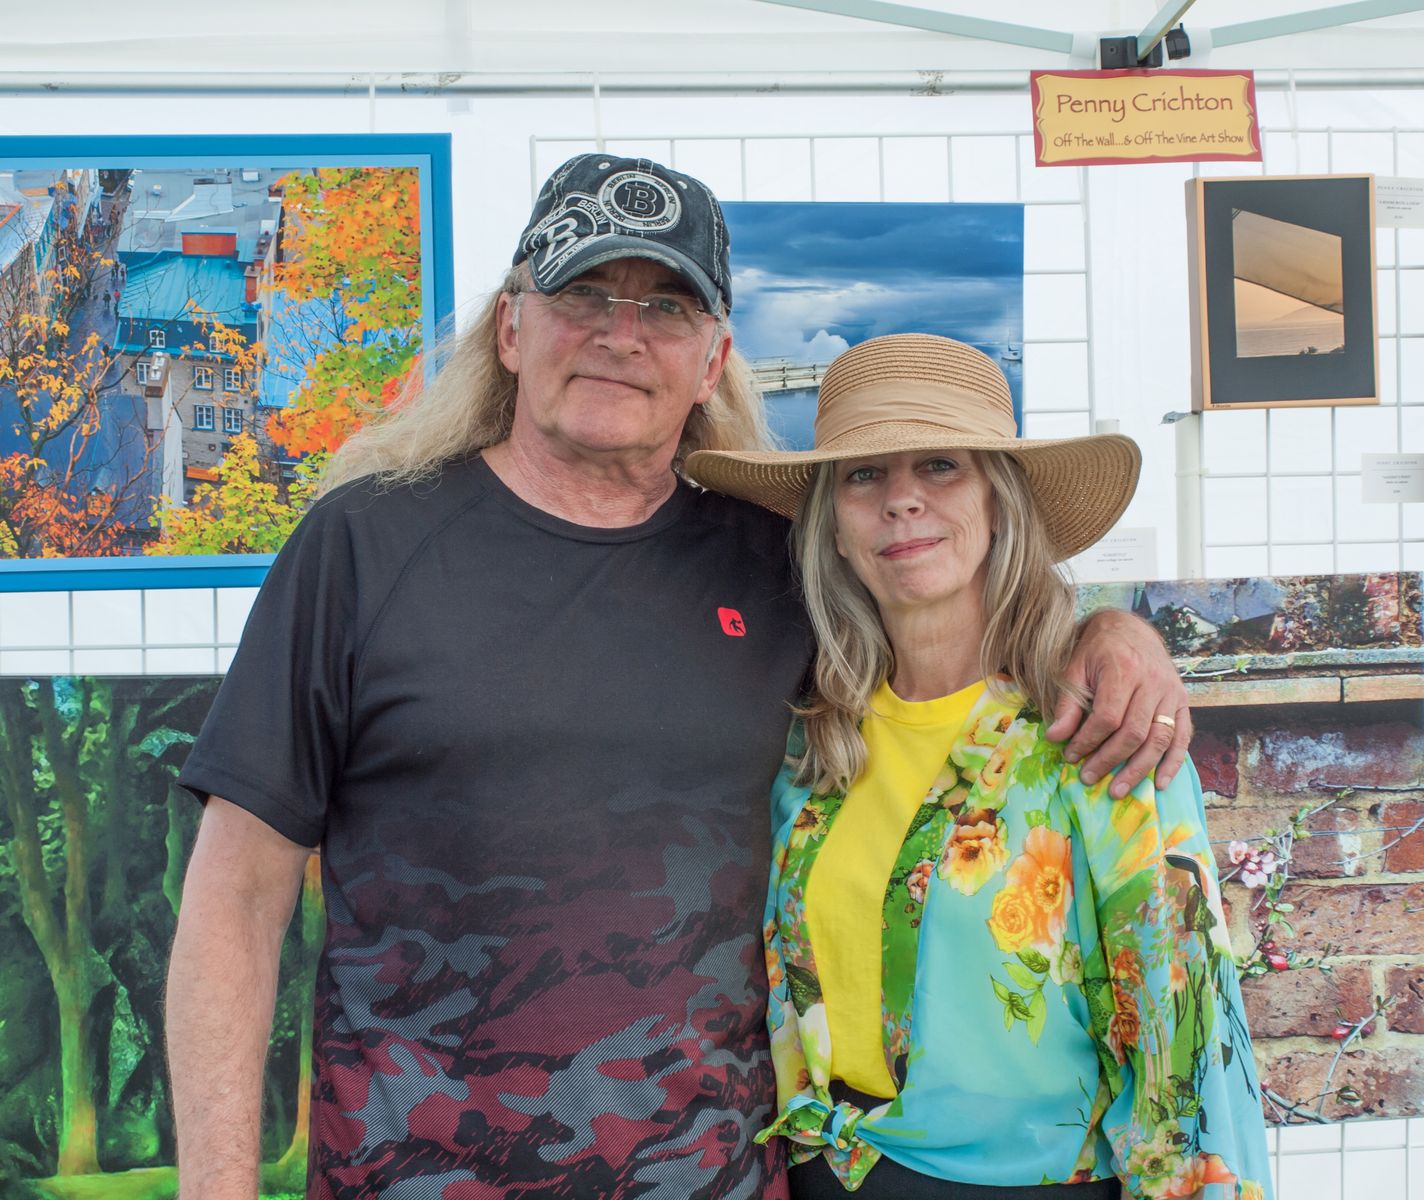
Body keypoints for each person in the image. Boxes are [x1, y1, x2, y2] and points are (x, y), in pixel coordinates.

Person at [164, 156, 1195, 1198]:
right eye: (583, 294)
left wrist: (1110, 635)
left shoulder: (780, 566)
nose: (621, 334)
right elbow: (235, 895)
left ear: (712, 361)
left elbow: (952, 638)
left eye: (666, 306)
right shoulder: (363, 546)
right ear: (511, 328)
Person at [686, 334, 1272, 1199]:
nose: (902, 500)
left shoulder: (1098, 732)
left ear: (1001, 502)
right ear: (832, 529)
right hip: (822, 1179)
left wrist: (1116, 629)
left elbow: (1187, 1066)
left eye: (941, 466)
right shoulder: (813, 739)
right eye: (863, 475)